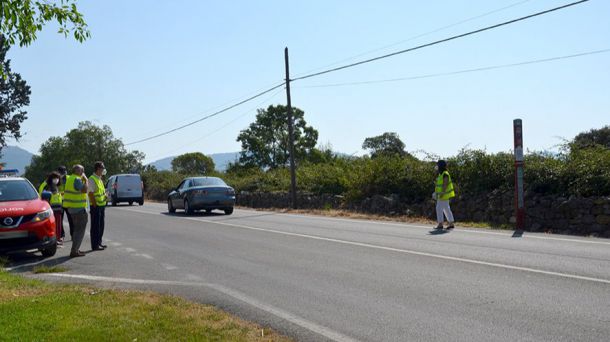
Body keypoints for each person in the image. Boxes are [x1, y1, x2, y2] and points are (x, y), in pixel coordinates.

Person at [63, 164, 89, 257]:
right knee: (79, 231)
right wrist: (86, 180)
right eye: (82, 171)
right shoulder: (77, 179)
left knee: (76, 230)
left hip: (72, 208)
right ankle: (74, 251)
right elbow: (85, 190)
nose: (83, 173)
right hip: (78, 209)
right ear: (78, 171)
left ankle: (75, 249)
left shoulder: (70, 178)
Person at [88, 161, 108, 251]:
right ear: (98, 169)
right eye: (102, 168)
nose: (103, 170)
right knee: (95, 227)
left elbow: (101, 192)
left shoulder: (99, 179)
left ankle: (99, 242)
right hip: (96, 206)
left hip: (101, 206)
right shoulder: (92, 179)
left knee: (101, 226)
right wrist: (95, 205)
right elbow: (91, 193)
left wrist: (105, 196)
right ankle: (95, 245)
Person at [41, 172, 64, 246]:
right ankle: (55, 239)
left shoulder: (56, 187)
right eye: (54, 178)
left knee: (58, 225)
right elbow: (43, 192)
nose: (56, 179)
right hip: (53, 210)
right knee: (54, 225)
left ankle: (58, 238)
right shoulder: (49, 187)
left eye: (57, 178)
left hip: (58, 209)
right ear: (51, 179)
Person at [433, 160, 455, 230]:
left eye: (438, 165)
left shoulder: (445, 174)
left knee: (439, 208)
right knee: (446, 209)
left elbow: (445, 184)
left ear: (440, 166)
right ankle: (451, 223)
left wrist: (442, 193)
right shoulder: (441, 174)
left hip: (443, 195)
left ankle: (440, 224)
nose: (437, 166)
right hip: (442, 195)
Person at [59, 165, 75, 239]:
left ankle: (73, 234)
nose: (63, 174)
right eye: (61, 172)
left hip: (69, 202)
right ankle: (62, 235)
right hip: (60, 202)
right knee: (60, 219)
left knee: (71, 219)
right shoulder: (56, 180)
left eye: (64, 172)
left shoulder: (69, 178)